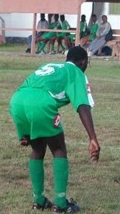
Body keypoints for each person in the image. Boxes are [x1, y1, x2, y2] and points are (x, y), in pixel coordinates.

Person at [9, 46, 101, 213]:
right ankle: (61, 202)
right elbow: (82, 106)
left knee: (37, 149)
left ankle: (39, 200)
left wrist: (23, 132)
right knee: (58, 149)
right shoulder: (76, 72)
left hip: (17, 101)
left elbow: (28, 90)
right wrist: (92, 137)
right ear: (83, 62)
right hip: (40, 104)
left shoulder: (50, 65)